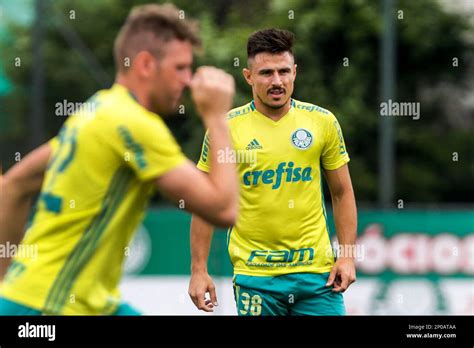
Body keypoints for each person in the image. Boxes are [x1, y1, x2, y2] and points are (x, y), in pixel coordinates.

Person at [0, 3, 238, 315]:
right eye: (180, 68)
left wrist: (6, 282)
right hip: (48, 306)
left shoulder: (96, 110)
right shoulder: (134, 124)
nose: (188, 81)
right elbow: (223, 209)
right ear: (145, 64)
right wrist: (217, 118)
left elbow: (14, 184)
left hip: (69, 301)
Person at [188, 28, 357, 316]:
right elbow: (205, 202)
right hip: (256, 277)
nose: (277, 81)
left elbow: (342, 193)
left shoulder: (322, 122)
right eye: (266, 73)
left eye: (283, 71)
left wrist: (348, 256)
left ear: (295, 72)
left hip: (317, 275)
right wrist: (199, 269)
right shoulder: (226, 129)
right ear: (248, 76)